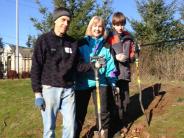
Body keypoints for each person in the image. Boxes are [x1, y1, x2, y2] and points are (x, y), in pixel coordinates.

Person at [31, 7, 92, 138]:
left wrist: (93, 66)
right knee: (49, 128)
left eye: (68, 21)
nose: (66, 24)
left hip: (68, 89)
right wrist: (37, 93)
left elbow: (78, 66)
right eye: (63, 20)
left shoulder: (73, 43)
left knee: (70, 126)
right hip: (49, 89)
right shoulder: (44, 40)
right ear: (55, 20)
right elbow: (36, 66)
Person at [75, 16, 118, 138]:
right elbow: (77, 64)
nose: (97, 29)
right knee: (79, 113)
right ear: (90, 27)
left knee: (102, 112)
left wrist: (113, 82)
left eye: (100, 26)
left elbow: (110, 66)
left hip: (101, 83)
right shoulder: (81, 44)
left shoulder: (106, 46)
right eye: (95, 26)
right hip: (83, 84)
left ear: (103, 29)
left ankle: (102, 134)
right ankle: (75, 134)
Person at [107, 12, 135, 132]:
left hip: (125, 74)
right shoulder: (109, 36)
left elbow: (132, 57)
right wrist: (115, 57)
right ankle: (115, 126)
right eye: (117, 24)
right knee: (115, 102)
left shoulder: (129, 37)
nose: (120, 27)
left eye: (122, 24)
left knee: (126, 101)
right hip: (113, 74)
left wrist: (135, 52)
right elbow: (105, 54)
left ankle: (123, 122)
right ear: (113, 25)